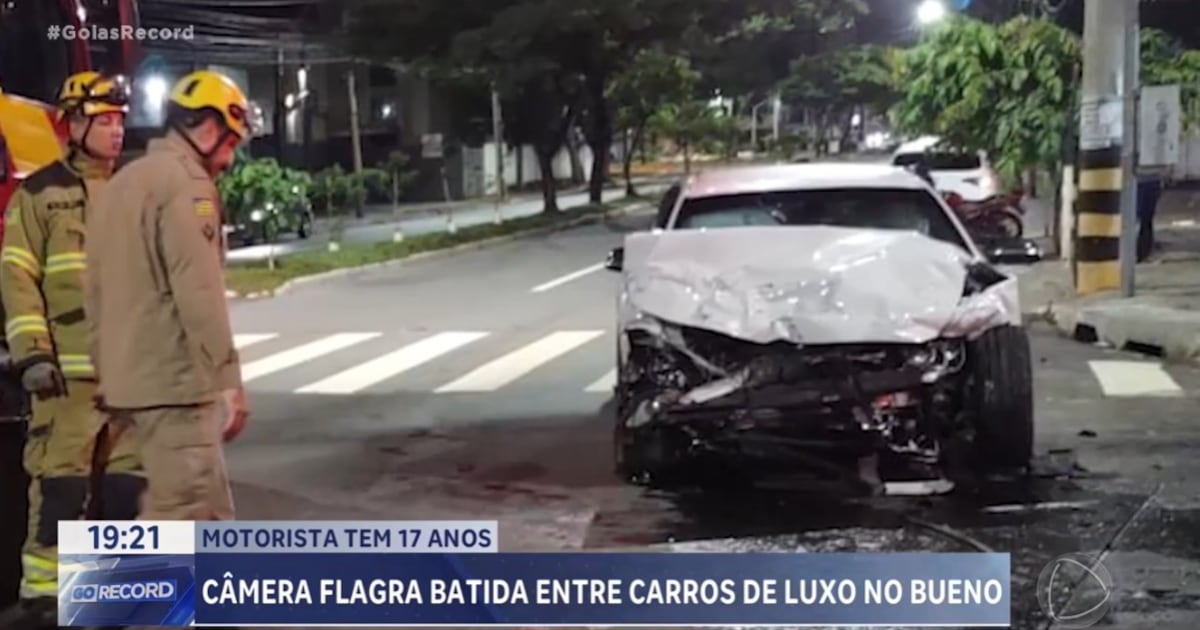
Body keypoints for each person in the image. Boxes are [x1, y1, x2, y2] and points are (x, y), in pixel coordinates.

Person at [0, 71, 142, 629]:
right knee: (62, 488)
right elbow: (16, 277)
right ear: (74, 124)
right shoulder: (39, 196)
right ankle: (43, 597)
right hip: (66, 382)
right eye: (104, 120)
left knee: (130, 490)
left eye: (119, 120)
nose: (115, 130)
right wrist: (33, 354)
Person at [83, 69, 251, 525]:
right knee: (181, 519)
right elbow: (199, 293)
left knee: (210, 517)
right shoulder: (186, 184)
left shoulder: (121, 184)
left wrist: (106, 372)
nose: (230, 159)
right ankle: (122, 598)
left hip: (127, 391)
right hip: (174, 391)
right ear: (211, 129)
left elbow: (93, 291)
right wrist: (229, 381)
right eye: (231, 143)